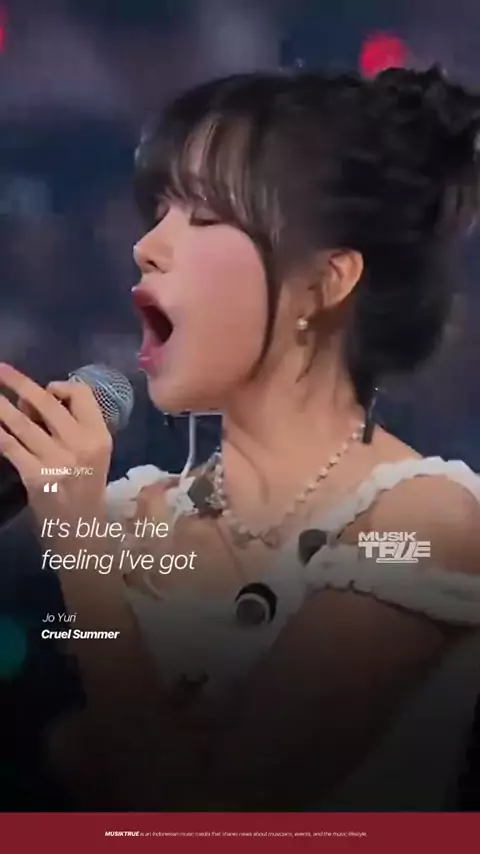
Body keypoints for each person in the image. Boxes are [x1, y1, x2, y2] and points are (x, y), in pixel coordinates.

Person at [0, 66, 480, 811]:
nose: (146, 247)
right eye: (158, 210)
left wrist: (80, 542)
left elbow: (213, 814)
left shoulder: (425, 522)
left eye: (202, 216)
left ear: (325, 282)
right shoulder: (132, 519)